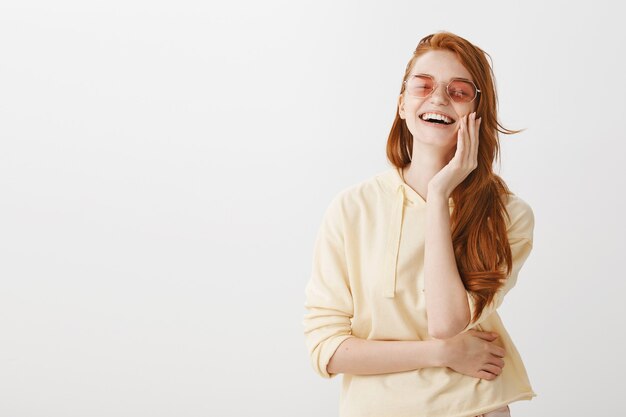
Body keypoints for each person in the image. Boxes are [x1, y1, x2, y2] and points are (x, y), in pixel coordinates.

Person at [302, 31, 536, 417]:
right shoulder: (352, 209)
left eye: (459, 91)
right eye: (423, 85)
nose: (439, 98)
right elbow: (326, 349)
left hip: (473, 409)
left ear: (479, 114)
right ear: (401, 104)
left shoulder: (508, 215)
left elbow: (447, 321)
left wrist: (440, 193)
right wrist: (440, 354)